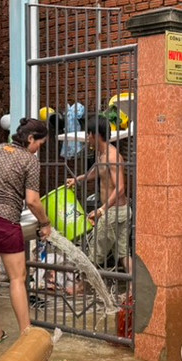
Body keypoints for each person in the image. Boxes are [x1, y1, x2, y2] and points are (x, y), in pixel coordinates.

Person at [0, 118, 52, 344]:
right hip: (4, 220)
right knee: (18, 278)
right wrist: (45, 223)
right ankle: (26, 333)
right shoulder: (29, 160)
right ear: (30, 139)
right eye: (40, 144)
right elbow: (33, 201)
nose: (39, 149)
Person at [67, 117, 132, 277]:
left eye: (88, 134)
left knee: (94, 252)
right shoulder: (102, 155)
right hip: (118, 211)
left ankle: (82, 286)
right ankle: (134, 289)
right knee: (123, 254)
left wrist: (102, 210)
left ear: (95, 134)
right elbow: (99, 172)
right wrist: (78, 178)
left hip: (113, 213)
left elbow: (121, 188)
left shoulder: (112, 156)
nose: (87, 138)